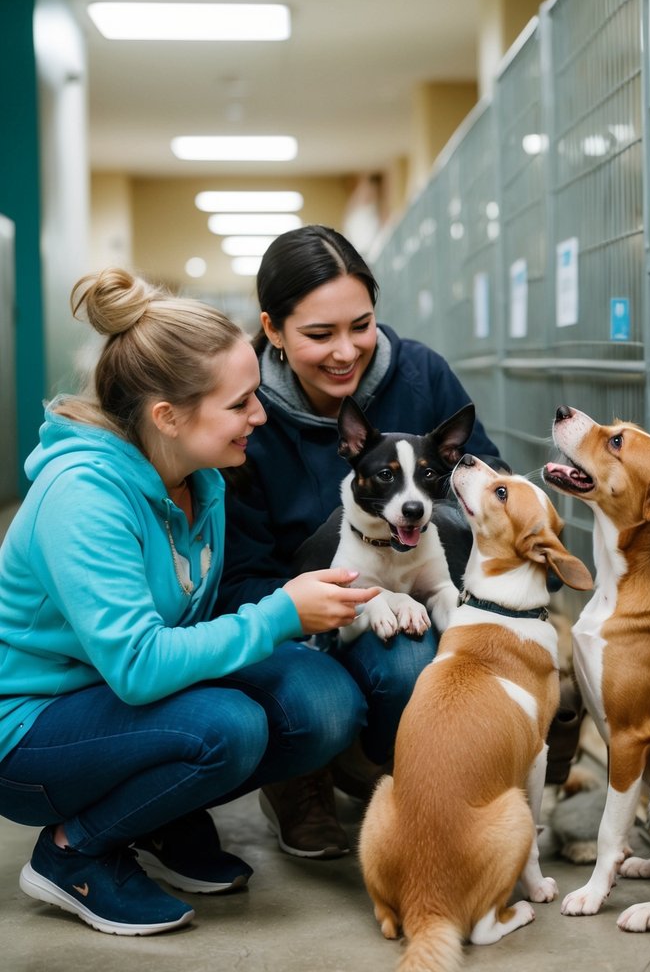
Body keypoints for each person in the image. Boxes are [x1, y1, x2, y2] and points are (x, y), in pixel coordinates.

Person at [0, 268, 379, 937]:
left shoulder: (200, 478)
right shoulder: (82, 498)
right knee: (228, 725)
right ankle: (73, 853)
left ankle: (156, 813)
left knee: (322, 701)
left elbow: (192, 625)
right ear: (167, 417)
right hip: (33, 733)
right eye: (239, 405)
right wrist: (281, 614)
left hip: (121, 707)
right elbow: (140, 666)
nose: (258, 416)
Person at [218, 225, 503, 860]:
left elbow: (492, 488)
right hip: (294, 617)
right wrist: (317, 596)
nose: (346, 351)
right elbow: (235, 576)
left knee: (411, 659)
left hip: (417, 593)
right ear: (273, 329)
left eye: (362, 324)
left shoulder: (422, 375)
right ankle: (305, 774)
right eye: (319, 334)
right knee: (326, 706)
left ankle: (397, 776)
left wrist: (418, 529)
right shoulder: (245, 411)